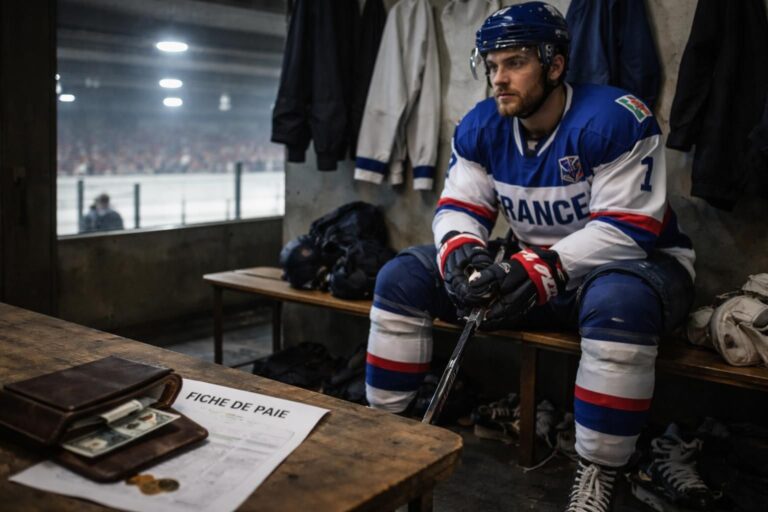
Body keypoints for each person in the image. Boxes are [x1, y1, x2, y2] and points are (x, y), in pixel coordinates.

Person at [364, 3, 700, 511]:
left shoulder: (615, 118)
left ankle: (598, 472)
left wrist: (538, 267)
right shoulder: (482, 126)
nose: (499, 78)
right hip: (537, 269)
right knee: (403, 274)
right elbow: (459, 205)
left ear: (555, 64)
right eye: (492, 65)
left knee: (618, 301)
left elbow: (628, 231)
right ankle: (388, 432)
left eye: (515, 62)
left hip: (636, 269)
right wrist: (461, 250)